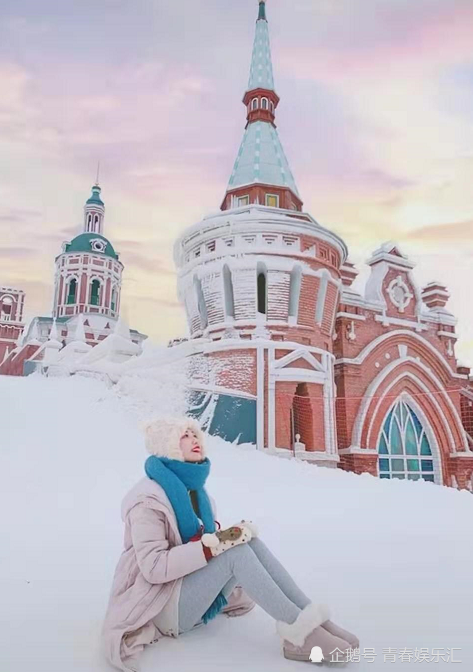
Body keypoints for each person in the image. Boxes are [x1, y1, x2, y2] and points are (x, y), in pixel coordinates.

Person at [101, 417, 359, 671]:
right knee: (234, 553)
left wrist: (230, 536)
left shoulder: (199, 494)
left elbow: (205, 543)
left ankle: (312, 618)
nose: (194, 440)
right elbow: (153, 567)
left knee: (249, 541)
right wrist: (212, 547)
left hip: (188, 591)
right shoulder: (147, 501)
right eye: (184, 436)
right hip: (161, 605)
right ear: (165, 446)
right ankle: (300, 637)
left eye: (195, 434)